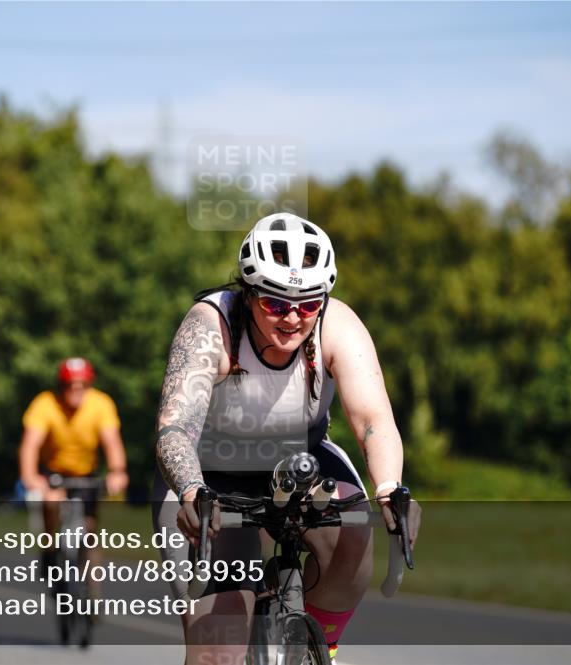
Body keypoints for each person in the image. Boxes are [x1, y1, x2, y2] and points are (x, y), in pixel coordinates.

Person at [152, 213, 421, 665]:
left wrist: (391, 488)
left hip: (302, 460)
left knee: (355, 528)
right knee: (217, 652)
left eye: (308, 304)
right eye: (276, 304)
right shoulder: (211, 325)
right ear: (248, 292)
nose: (294, 318)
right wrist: (192, 489)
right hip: (211, 471)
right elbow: (174, 427)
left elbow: (373, 419)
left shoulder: (338, 325)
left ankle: (319, 649)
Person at [18, 358, 129, 578]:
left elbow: (112, 441)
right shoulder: (45, 404)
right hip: (55, 472)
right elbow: (30, 445)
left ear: (89, 385)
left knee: (89, 530)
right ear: (61, 385)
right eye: (70, 385)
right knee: (51, 503)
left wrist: (117, 471)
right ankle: (49, 548)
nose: (76, 391)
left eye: (82, 385)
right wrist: (30, 476)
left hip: (87, 474)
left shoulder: (101, 404)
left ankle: (91, 592)